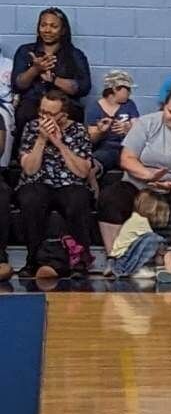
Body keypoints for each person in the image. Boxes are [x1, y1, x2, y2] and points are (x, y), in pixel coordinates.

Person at [100, 81, 171, 249]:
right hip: (137, 183)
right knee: (111, 198)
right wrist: (148, 176)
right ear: (163, 107)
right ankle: (114, 255)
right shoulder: (146, 123)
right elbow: (127, 158)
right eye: (170, 111)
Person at [17, 85, 95, 273]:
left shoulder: (77, 130)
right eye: (42, 112)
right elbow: (29, 169)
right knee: (30, 199)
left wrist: (60, 144)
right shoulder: (32, 127)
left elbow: (83, 172)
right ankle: (33, 260)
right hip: (38, 181)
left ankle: (80, 260)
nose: (45, 118)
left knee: (78, 199)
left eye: (50, 114)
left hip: (69, 183)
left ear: (63, 115)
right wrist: (42, 140)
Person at [11, 8, 92, 133]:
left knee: (71, 115)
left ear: (63, 30)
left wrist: (54, 80)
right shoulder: (25, 51)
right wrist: (35, 69)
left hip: (65, 107)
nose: (47, 30)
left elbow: (84, 87)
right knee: (25, 113)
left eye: (54, 26)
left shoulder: (75, 55)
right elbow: (17, 85)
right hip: (31, 106)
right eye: (43, 25)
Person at [105, 189, 171, 284]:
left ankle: (131, 268)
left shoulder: (135, 217)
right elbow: (155, 241)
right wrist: (168, 247)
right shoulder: (141, 221)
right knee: (154, 239)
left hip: (117, 261)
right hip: (122, 263)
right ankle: (134, 270)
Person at [86, 71, 140, 174]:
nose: (130, 93)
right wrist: (100, 131)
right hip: (106, 148)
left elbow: (138, 127)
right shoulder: (94, 108)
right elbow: (91, 139)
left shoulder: (129, 105)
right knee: (103, 156)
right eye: (127, 89)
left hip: (127, 147)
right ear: (115, 89)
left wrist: (129, 129)